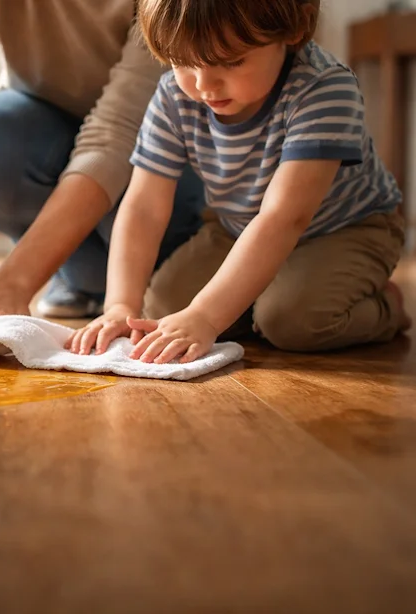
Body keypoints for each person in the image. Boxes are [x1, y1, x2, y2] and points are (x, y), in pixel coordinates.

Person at [67, 0, 411, 363]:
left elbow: (283, 218)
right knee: (162, 308)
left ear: (292, 31)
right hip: (237, 226)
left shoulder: (324, 88)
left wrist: (205, 316)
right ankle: (262, 300)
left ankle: (386, 307)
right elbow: (143, 207)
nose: (204, 85)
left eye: (230, 62)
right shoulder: (173, 95)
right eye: (183, 62)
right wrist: (120, 305)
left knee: (289, 322)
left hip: (346, 230)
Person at [0, 0, 206, 352]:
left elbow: (115, 134)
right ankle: (81, 276)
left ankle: (88, 278)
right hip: (42, 126)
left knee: (163, 266)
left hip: (160, 148)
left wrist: (13, 283)